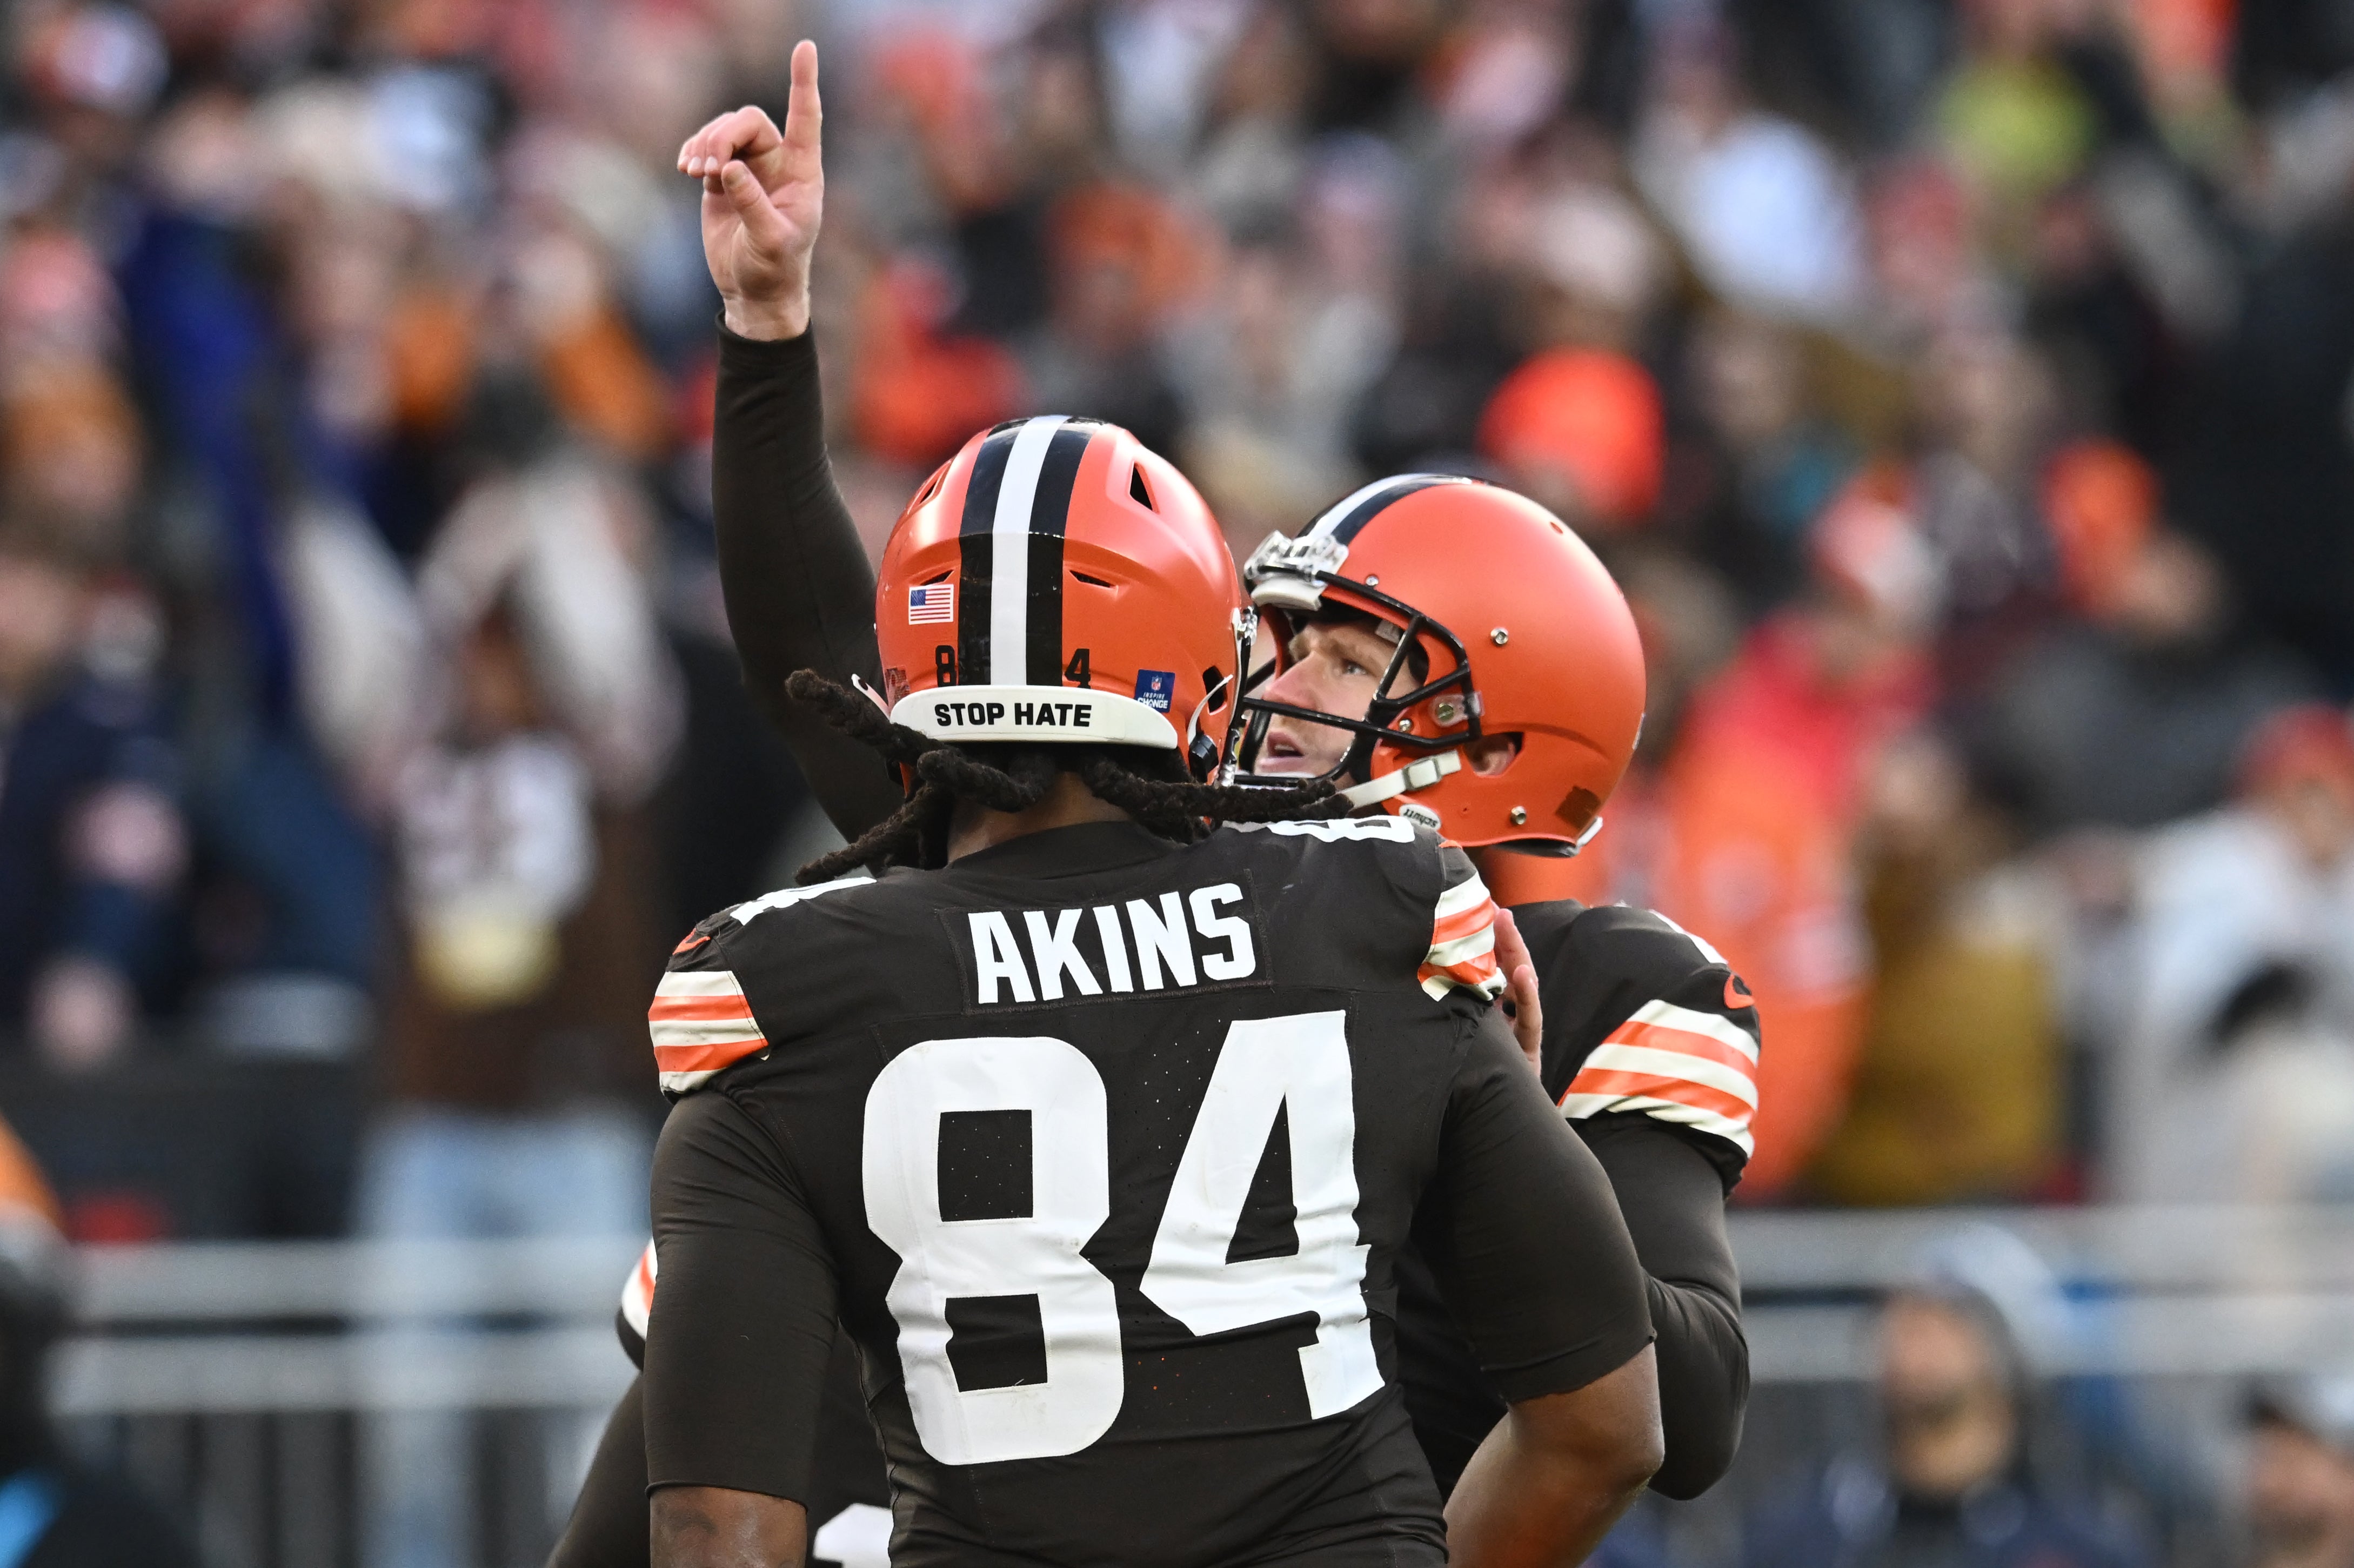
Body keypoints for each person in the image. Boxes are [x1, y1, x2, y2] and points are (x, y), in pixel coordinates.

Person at [552, 41, 1749, 1563]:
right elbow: (842, 688)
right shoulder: (1191, 869)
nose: (1273, 677)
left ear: (1506, 713)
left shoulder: (1581, 978)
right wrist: (772, 337)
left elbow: (1683, 1414)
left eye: (1340, 649)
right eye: (1274, 631)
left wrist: (1496, 1123)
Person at [634, 406, 1664, 1567]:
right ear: (1199, 659)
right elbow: (1606, 1425)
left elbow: (720, 1528)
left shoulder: (778, 983)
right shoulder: (1375, 904)